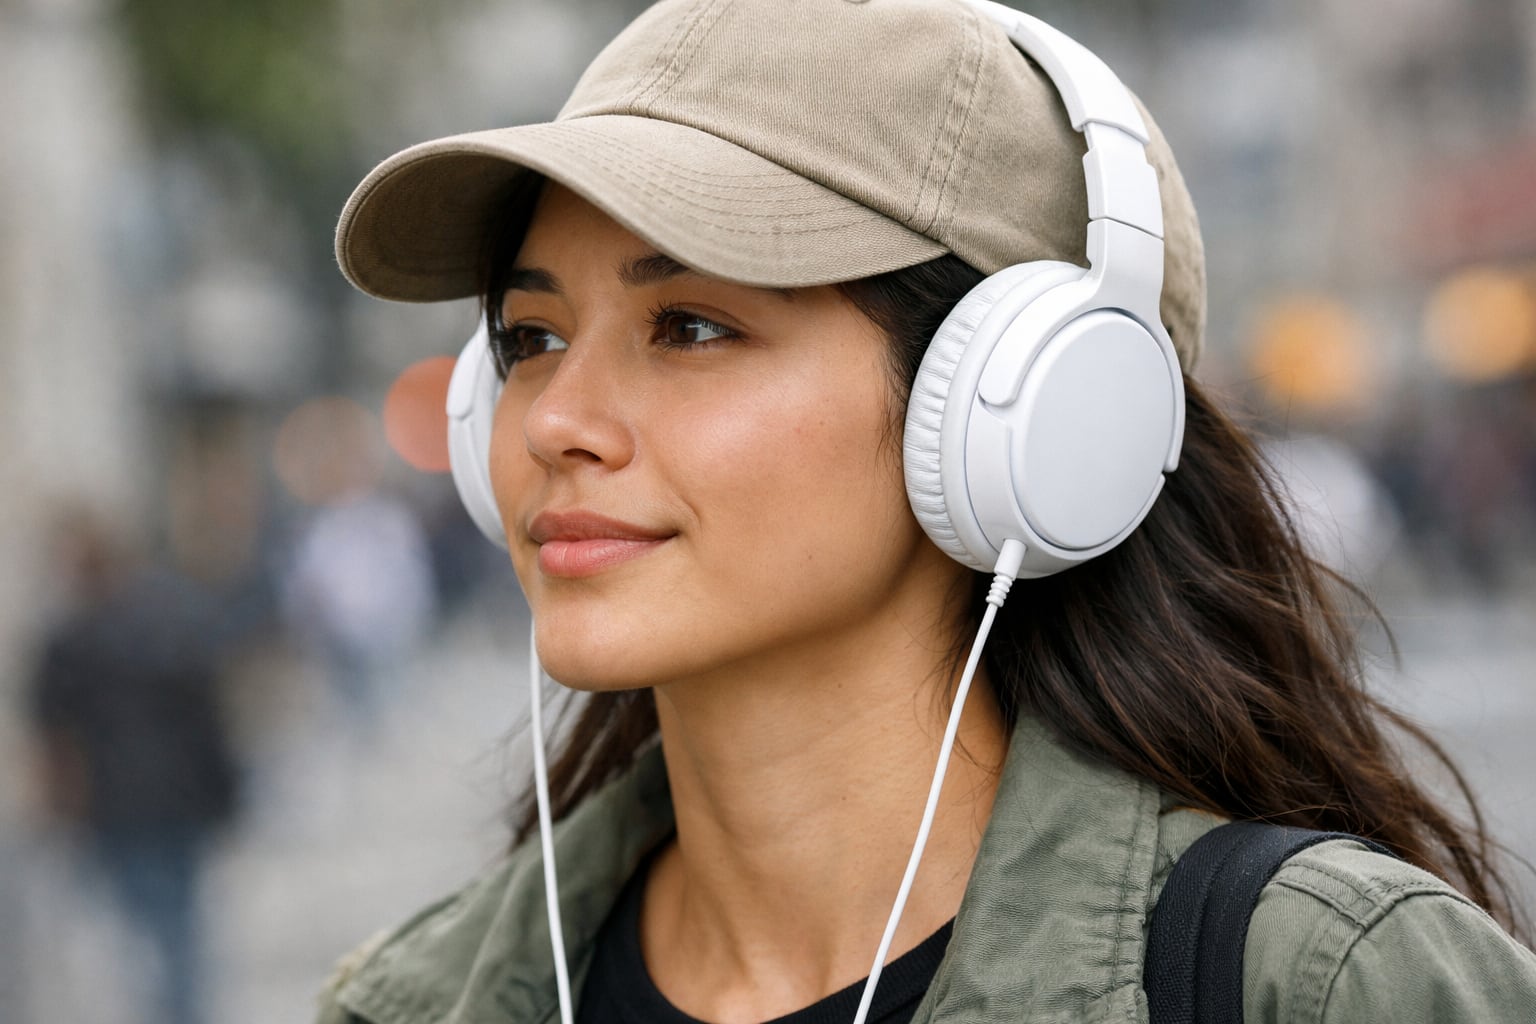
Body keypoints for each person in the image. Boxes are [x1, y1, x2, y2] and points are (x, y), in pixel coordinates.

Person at [317, 1, 1536, 1022]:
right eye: (529, 337)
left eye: (690, 326)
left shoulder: (1317, 982)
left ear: (1019, 407)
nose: (550, 421)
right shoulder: (414, 1001)